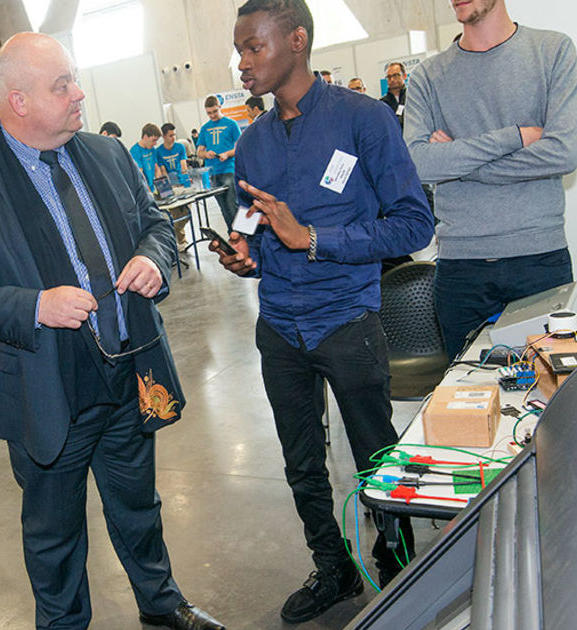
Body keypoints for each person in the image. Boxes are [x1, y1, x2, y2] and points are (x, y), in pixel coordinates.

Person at [0, 32, 225, 630]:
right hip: (45, 393)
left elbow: (156, 226)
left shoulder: (107, 156)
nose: (78, 94)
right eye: (61, 85)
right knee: (53, 535)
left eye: (74, 79)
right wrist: (34, 305)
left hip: (128, 373)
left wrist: (153, 258)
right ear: (18, 102)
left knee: (139, 506)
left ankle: (161, 603)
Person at [216, 0, 433, 622]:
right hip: (279, 325)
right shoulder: (251, 141)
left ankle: (397, 566)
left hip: (348, 321)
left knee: (377, 457)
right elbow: (250, 219)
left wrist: (313, 238)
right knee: (301, 461)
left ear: (298, 42)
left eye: (254, 47)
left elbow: (412, 224)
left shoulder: (363, 120)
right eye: (239, 50)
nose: (242, 62)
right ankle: (333, 569)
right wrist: (243, 251)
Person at [405, 0, 577, 359]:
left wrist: (458, 159)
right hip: (460, 267)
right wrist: (515, 137)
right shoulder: (428, 76)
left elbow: (562, 153)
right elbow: (420, 164)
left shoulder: (552, 51)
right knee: (468, 397)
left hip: (539, 259)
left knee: (550, 395)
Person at [196, 95, 241, 230]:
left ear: (220, 107)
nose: (212, 115)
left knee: (232, 205)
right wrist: (206, 154)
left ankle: (240, 235)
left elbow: (239, 147)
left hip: (228, 169)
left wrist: (227, 154)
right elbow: (199, 152)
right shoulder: (205, 128)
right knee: (223, 207)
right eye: (209, 113)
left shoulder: (231, 124)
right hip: (212, 173)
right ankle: (232, 236)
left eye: (215, 111)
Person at [156, 123, 191, 247]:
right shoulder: (159, 151)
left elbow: (183, 165)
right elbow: (162, 170)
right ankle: (182, 241)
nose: (173, 138)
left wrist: (186, 181)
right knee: (175, 214)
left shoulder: (180, 147)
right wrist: (168, 185)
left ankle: (172, 232)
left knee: (187, 213)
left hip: (182, 182)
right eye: (170, 135)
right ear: (164, 136)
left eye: (174, 135)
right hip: (169, 185)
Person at [129, 123, 167, 191]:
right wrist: (149, 193)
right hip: (143, 189)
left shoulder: (152, 149)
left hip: (152, 188)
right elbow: (140, 175)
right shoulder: (135, 151)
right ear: (145, 137)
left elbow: (156, 169)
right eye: (153, 140)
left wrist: (163, 188)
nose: (155, 143)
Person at [380, 62, 407, 126]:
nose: (392, 80)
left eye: (395, 75)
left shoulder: (413, 97)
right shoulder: (382, 103)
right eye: (389, 77)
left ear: (404, 76)